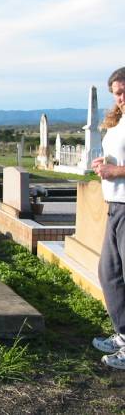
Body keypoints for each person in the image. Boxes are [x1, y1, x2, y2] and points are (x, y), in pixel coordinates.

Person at [91, 66, 125, 369]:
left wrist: (116, 171)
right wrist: (104, 164)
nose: (121, 98)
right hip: (115, 205)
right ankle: (124, 334)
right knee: (109, 273)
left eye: (124, 91)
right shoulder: (120, 122)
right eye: (117, 94)